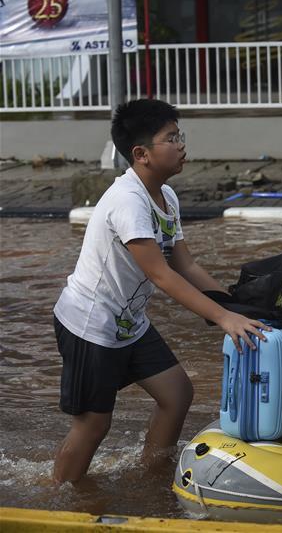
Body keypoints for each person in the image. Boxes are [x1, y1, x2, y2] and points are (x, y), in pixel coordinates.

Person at [51, 99, 269, 484]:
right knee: (94, 424)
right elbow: (161, 275)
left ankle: (151, 479)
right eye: (171, 138)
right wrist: (223, 318)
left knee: (177, 394)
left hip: (128, 323)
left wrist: (237, 307)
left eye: (180, 135)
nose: (181, 145)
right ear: (141, 154)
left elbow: (186, 265)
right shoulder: (127, 201)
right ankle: (59, 498)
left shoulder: (166, 197)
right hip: (90, 325)